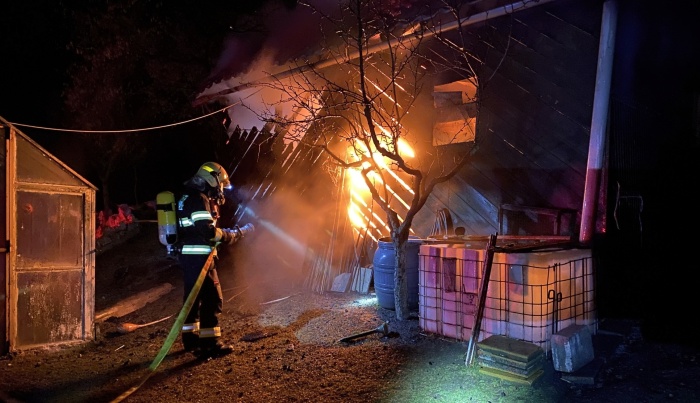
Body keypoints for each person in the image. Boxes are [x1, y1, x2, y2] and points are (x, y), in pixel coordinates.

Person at [175, 161, 254, 358]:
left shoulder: (185, 196)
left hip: (189, 257)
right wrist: (234, 234)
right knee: (212, 299)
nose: (220, 190)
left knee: (193, 299)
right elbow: (208, 232)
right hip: (200, 258)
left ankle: (191, 340)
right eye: (220, 185)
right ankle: (211, 344)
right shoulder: (198, 198)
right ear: (213, 179)